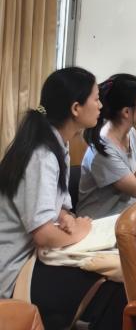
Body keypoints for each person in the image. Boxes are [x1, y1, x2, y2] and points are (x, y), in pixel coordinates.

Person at [0, 68, 127, 330]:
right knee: (113, 290)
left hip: (37, 256)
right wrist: (79, 231)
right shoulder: (42, 154)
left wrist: (65, 217)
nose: (100, 105)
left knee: (117, 274)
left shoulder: (58, 143)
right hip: (15, 270)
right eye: (95, 99)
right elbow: (43, 234)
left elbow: (51, 204)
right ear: (76, 108)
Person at [77, 73, 136, 218]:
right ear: (126, 112)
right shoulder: (104, 148)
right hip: (100, 222)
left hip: (126, 215)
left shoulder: (130, 132)